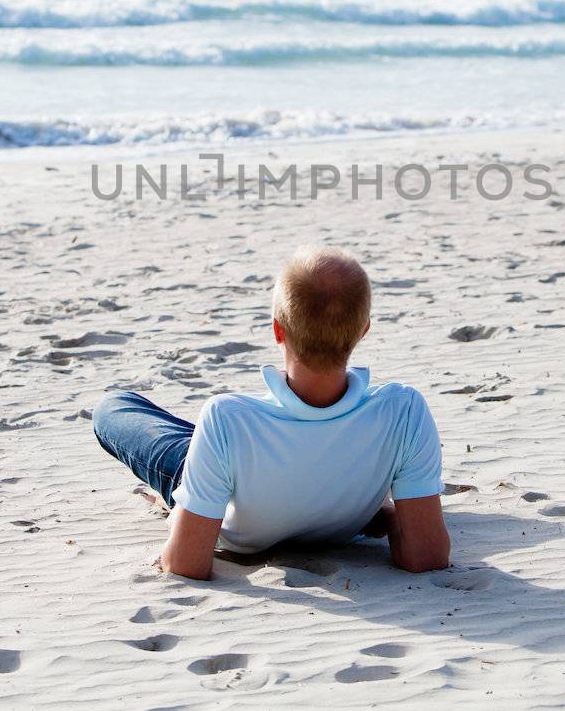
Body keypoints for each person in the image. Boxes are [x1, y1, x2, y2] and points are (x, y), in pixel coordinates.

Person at [92, 245, 451, 579]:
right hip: (328, 495)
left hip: (230, 490)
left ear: (278, 330)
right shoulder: (404, 408)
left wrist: (179, 518)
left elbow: (186, 564)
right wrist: (386, 515)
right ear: (363, 331)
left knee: (114, 406)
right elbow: (426, 556)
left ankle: (179, 493)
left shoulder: (227, 418)